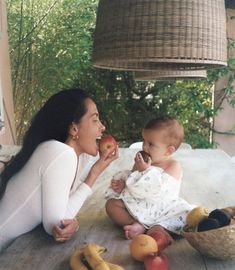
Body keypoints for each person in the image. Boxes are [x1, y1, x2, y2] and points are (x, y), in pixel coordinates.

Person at [0, 88, 118, 252]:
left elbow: (62, 206)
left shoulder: (72, 154)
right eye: (95, 120)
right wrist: (95, 173)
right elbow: (56, 225)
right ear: (74, 129)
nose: (102, 127)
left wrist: (74, 222)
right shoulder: (60, 153)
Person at [105, 116, 194, 240]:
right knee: (111, 205)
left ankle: (158, 227)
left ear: (169, 151)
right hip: (141, 204)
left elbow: (158, 189)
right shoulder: (144, 162)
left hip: (163, 208)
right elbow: (134, 180)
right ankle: (137, 224)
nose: (144, 147)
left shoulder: (173, 166)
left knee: (187, 215)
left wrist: (146, 170)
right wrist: (125, 185)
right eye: (144, 141)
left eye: (151, 144)